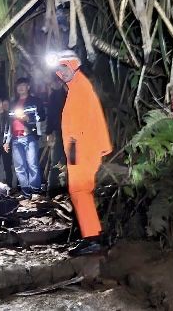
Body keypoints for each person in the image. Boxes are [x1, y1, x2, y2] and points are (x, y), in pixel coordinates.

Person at [49, 50, 112, 257]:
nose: (61, 71)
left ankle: (92, 238)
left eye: (64, 67)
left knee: (80, 191)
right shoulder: (76, 87)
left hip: (83, 149)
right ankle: (91, 235)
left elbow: (81, 124)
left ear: (73, 65)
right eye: (59, 69)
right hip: (80, 148)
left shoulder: (81, 88)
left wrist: (74, 151)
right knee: (80, 192)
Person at [4, 77, 45, 198]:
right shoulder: (13, 103)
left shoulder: (35, 101)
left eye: (23, 85)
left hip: (30, 137)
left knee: (32, 164)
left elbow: (42, 116)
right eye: (19, 86)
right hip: (16, 139)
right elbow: (8, 123)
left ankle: (35, 190)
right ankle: (26, 192)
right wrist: (6, 141)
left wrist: (29, 119)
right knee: (20, 166)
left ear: (28, 87)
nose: (21, 88)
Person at [44, 75, 68, 196]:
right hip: (59, 133)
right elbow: (51, 115)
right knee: (55, 162)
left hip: (73, 135)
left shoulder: (72, 93)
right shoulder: (54, 96)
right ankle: (51, 192)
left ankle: (69, 190)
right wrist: (48, 133)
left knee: (72, 162)